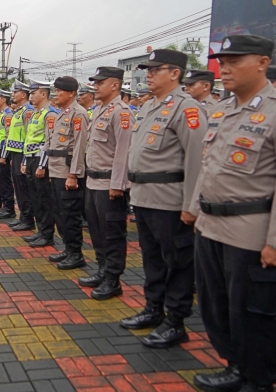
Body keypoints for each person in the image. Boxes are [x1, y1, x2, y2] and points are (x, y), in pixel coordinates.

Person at [187, 34, 276, 392]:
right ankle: (235, 365)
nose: (224, 68)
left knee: (251, 313)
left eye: (235, 60)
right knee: (215, 304)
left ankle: (257, 378)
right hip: (210, 226)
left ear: (262, 62)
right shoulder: (223, 109)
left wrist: (273, 241)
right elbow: (208, 168)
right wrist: (194, 211)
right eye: (222, 61)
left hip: (249, 232)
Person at [121, 49, 208, 349]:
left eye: (156, 69)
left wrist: (191, 205)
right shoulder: (148, 107)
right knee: (152, 260)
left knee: (178, 263)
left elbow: (197, 160)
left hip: (172, 201)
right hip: (145, 197)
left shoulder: (187, 109)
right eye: (148, 69)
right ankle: (153, 309)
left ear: (175, 73)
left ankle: (176, 321)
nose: (148, 73)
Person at [80, 66, 134, 300]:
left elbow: (124, 151)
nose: (95, 86)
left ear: (115, 85)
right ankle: (102, 270)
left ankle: (113, 279)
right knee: (96, 231)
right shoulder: (100, 110)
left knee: (112, 233)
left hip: (109, 185)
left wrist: (118, 184)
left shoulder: (121, 112)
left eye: (100, 82)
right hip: (93, 182)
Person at [45, 76, 90, 270]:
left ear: (71, 93)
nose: (56, 95)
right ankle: (68, 248)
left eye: (59, 91)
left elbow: (80, 146)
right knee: (60, 213)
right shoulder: (63, 113)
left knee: (70, 214)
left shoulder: (78, 113)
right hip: (56, 170)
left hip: (67, 172)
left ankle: (76, 253)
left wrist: (74, 175)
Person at [21, 79, 57, 247]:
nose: (30, 97)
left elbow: (49, 142)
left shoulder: (50, 114)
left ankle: (48, 234)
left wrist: (43, 165)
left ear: (43, 94)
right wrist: (24, 160)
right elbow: (28, 139)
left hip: (40, 160)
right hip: (30, 158)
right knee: (34, 197)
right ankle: (40, 230)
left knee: (44, 199)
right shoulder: (35, 113)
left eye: (33, 93)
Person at [5, 81, 36, 231]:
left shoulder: (27, 112)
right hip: (15, 154)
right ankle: (23, 216)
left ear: (23, 94)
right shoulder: (19, 111)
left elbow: (28, 136)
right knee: (18, 188)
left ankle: (28, 219)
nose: (13, 95)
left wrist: (24, 159)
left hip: (23, 155)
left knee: (24, 189)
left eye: (15, 92)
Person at [0, 88, 15, 219]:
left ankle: (9, 208)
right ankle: (3, 205)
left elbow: (7, 136)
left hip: (1, 151)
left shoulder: (8, 114)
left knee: (4, 180)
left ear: (3, 99)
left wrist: (4, 155)